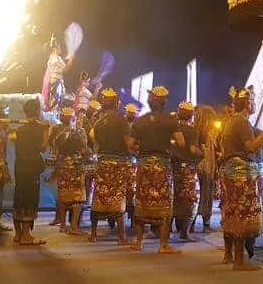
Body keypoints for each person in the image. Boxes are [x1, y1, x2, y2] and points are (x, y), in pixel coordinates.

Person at [219, 86, 263, 271]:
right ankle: (239, 261)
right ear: (246, 103)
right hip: (241, 174)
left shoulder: (231, 122)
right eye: (252, 101)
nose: (254, 104)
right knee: (242, 215)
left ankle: (231, 255)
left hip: (232, 172)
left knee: (233, 213)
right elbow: (251, 147)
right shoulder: (242, 122)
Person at [130, 86, 186, 254]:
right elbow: (181, 143)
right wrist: (169, 144)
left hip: (144, 165)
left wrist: (141, 151)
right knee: (164, 203)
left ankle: (138, 242)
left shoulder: (140, 121)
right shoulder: (171, 121)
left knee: (141, 201)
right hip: (162, 166)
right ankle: (163, 244)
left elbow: (130, 145)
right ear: (164, 102)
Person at [89, 88, 132, 244]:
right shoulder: (122, 121)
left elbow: (93, 139)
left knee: (99, 196)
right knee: (117, 197)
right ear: (117, 103)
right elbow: (129, 143)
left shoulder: (98, 122)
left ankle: (93, 234)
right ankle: (121, 237)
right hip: (118, 164)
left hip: (102, 162)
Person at [46, 107, 90, 234]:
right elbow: (84, 148)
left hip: (62, 164)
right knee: (77, 198)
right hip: (75, 166)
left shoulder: (56, 130)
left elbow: (52, 147)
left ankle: (63, 225)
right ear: (73, 118)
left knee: (62, 195)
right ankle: (74, 227)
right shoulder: (79, 130)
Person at [10, 99, 48, 245]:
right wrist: (46, 130)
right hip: (31, 167)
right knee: (29, 198)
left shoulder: (19, 130)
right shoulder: (39, 129)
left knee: (19, 195)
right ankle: (26, 235)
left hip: (19, 167)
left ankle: (18, 234)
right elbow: (43, 147)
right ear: (37, 111)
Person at [172, 101, 204, 241]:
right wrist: (202, 152)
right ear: (191, 116)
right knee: (191, 200)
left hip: (171, 168)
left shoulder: (171, 128)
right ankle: (184, 232)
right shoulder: (192, 130)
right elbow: (192, 149)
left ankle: (165, 232)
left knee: (171, 199)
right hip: (187, 170)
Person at [193, 105, 220, 233]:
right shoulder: (196, 132)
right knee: (198, 195)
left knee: (202, 195)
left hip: (207, 168)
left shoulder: (211, 134)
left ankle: (198, 224)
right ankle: (200, 224)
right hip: (201, 168)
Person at [41, 37, 74, 112]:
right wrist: (71, 60)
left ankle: (53, 118)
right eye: (59, 47)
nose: (60, 49)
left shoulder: (52, 57)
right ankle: (53, 120)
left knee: (55, 100)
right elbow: (65, 69)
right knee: (55, 101)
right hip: (56, 81)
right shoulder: (56, 58)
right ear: (55, 48)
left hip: (55, 81)